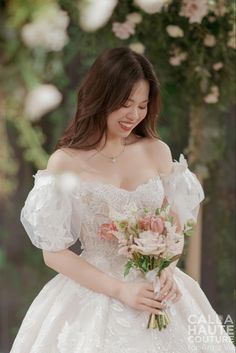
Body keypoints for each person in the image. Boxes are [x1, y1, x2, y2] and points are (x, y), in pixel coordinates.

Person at [10, 47, 234, 353]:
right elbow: (54, 253)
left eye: (142, 106)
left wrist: (167, 268)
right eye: (125, 104)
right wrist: (120, 290)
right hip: (95, 292)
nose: (134, 115)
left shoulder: (156, 150)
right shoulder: (65, 162)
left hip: (159, 292)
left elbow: (174, 228)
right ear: (100, 97)